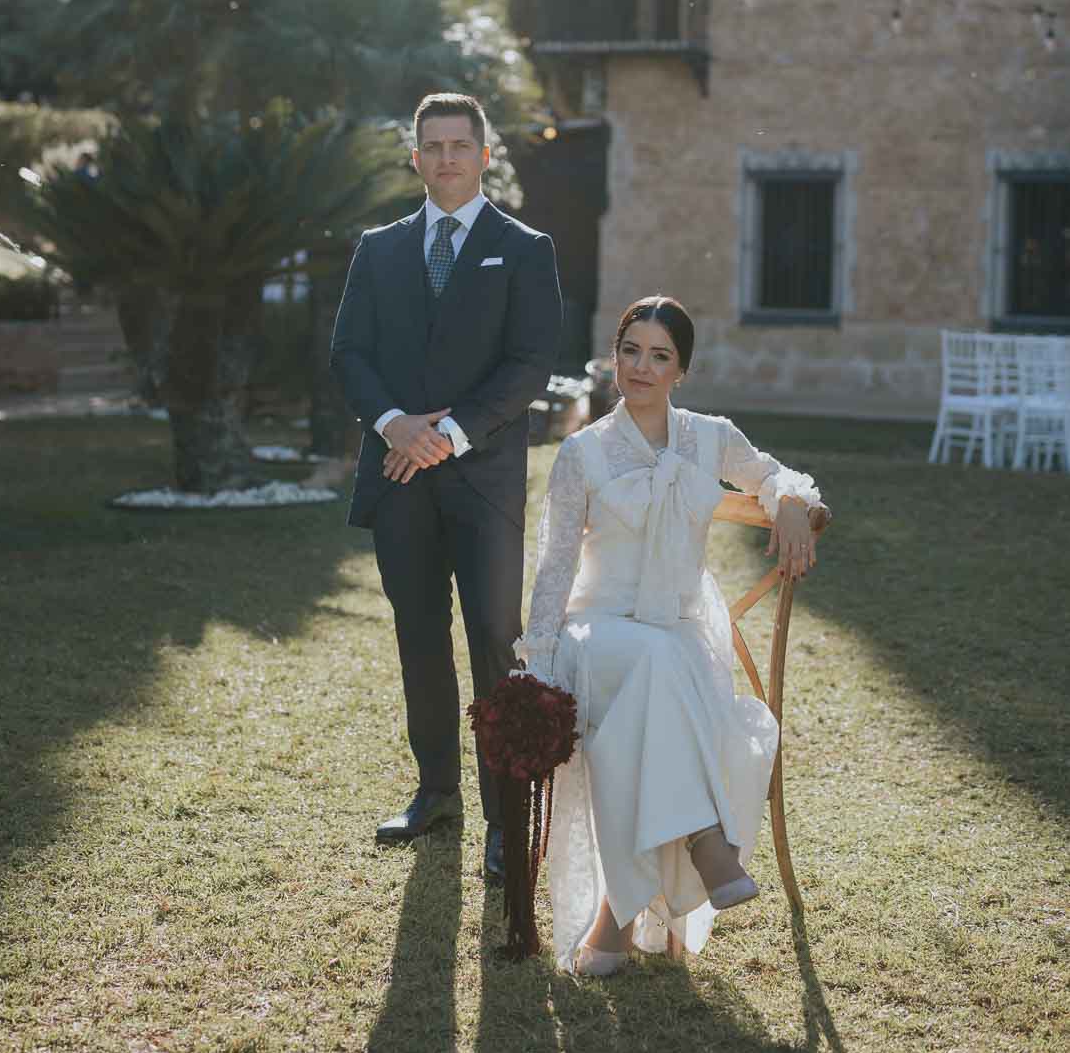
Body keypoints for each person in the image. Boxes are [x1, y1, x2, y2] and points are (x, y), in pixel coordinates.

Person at [517, 296, 825, 975]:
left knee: (656, 691)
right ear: (614, 354)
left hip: (682, 635)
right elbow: (555, 563)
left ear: (680, 369)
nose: (641, 367)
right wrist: (537, 659)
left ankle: (611, 927)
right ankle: (703, 842)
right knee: (655, 670)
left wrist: (795, 505)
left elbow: (773, 475)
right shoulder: (583, 452)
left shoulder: (709, 437)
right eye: (630, 350)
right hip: (595, 634)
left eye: (659, 356)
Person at [330, 93, 562, 883]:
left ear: (484, 154)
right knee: (417, 637)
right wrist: (394, 423)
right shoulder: (379, 247)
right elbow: (348, 354)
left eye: (460, 144)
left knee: (495, 640)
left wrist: (446, 436)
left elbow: (529, 363)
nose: (446, 159)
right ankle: (435, 793)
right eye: (431, 146)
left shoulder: (524, 248)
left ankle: (505, 819)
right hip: (398, 478)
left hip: (484, 482)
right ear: (415, 157)